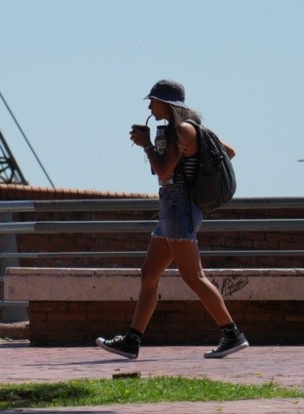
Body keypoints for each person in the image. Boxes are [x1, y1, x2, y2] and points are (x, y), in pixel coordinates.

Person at [95, 79, 248, 359]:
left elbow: (164, 172)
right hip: (173, 206)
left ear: (167, 104)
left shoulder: (182, 130)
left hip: (179, 207)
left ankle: (232, 333)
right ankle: (132, 340)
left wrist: (145, 145)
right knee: (149, 275)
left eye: (153, 101)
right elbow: (230, 152)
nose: (150, 106)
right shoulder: (193, 128)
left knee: (193, 276)